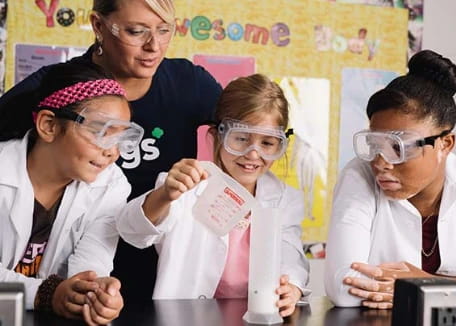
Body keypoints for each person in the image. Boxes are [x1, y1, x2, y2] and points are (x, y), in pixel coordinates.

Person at [0, 0, 223, 302]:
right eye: (136, 31)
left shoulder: (189, 86)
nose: (153, 46)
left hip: (147, 269)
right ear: (98, 26)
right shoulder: (49, 90)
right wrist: (50, 294)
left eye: (165, 30)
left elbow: (248, 133)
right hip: (48, 278)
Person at [325, 49, 456, 308]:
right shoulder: (358, 176)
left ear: (445, 144)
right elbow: (343, 288)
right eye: (375, 144)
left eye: (399, 147)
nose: (381, 163)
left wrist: (429, 286)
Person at [116, 74, 310, 317]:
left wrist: (291, 287)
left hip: (254, 318)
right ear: (217, 135)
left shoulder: (284, 198)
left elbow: (291, 255)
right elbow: (132, 231)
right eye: (240, 139)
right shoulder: (185, 185)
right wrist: (165, 195)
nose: (253, 154)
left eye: (268, 143)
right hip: (186, 319)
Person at [0, 61, 141, 324]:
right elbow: (50, 295)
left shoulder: (111, 185)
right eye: (101, 132)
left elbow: (93, 260)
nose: (112, 151)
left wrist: (96, 293)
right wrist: (47, 294)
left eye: (120, 138)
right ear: (49, 125)